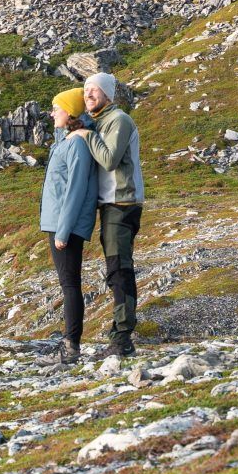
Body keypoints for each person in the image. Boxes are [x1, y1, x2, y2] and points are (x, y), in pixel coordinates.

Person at [82, 71, 143, 361]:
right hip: (110, 204)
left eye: (94, 90)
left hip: (122, 202)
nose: (89, 95)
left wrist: (86, 134)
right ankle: (119, 331)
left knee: (120, 269)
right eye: (86, 91)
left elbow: (109, 160)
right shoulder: (100, 122)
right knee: (115, 268)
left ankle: (123, 337)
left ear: (107, 94)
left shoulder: (118, 120)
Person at [38, 87, 97, 367]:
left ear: (70, 112)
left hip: (66, 225)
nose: (52, 114)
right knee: (68, 283)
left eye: (56, 109)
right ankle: (68, 343)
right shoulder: (69, 140)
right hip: (59, 222)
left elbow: (76, 189)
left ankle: (71, 346)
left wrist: (63, 231)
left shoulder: (77, 145)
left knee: (70, 284)